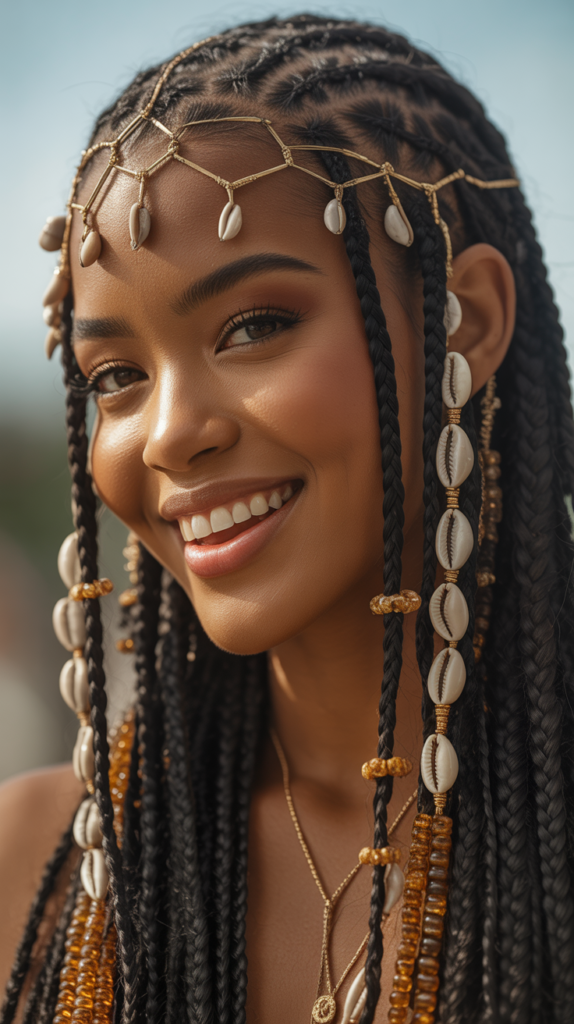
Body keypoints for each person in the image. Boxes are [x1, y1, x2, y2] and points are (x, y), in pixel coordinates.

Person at [1, 14, 573, 1024]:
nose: (171, 434)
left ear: (465, 322)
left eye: (254, 326)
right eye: (118, 378)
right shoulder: (34, 867)